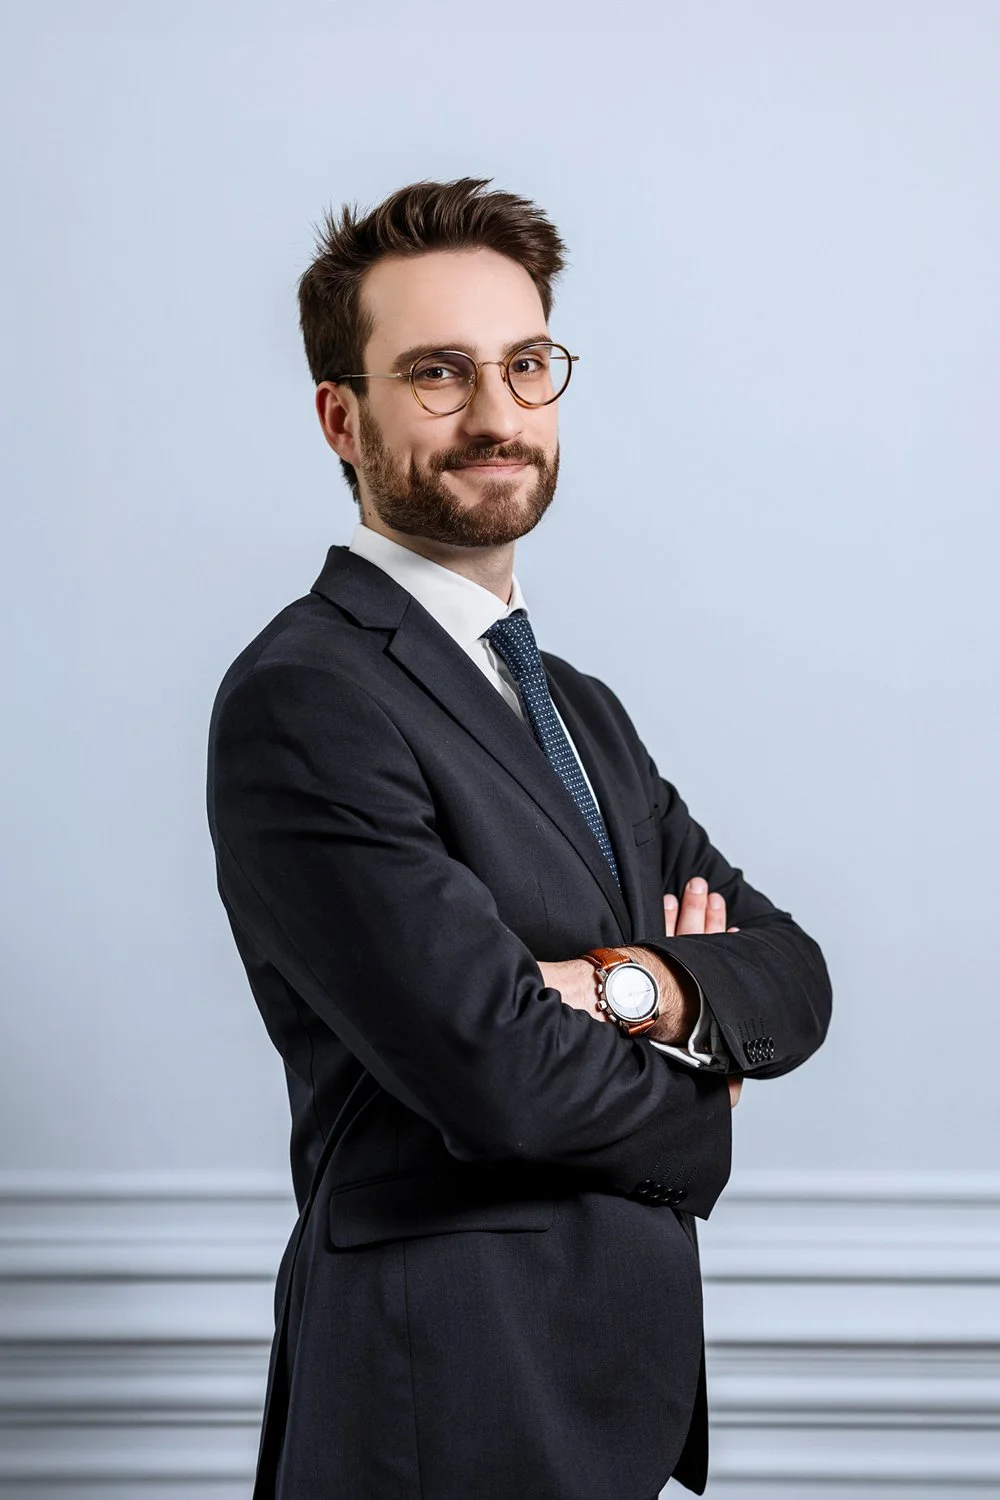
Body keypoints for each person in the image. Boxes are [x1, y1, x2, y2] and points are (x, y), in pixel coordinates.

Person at [206, 176, 832, 1500]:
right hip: (438, 1409)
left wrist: (628, 985)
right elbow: (494, 1068)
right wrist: (702, 1091)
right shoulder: (308, 697)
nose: (497, 415)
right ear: (342, 414)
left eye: (526, 364)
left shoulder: (578, 710)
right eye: (436, 374)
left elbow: (793, 971)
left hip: (605, 1403)